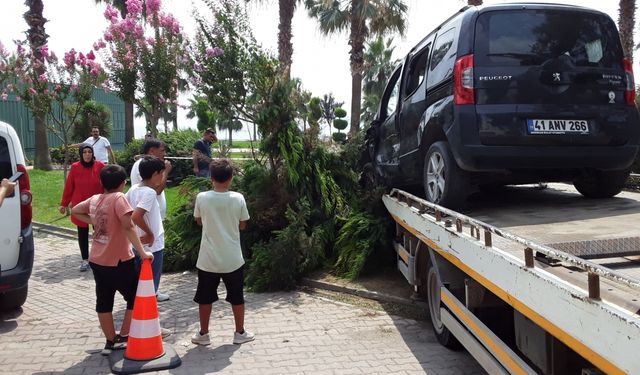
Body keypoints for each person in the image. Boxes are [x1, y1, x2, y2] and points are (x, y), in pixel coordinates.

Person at [70, 165, 153, 355]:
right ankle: (124, 336)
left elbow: (75, 210)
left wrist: (97, 221)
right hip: (120, 260)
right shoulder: (119, 198)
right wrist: (143, 252)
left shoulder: (95, 199)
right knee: (134, 297)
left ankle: (110, 340)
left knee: (104, 300)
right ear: (123, 183)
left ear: (102, 182)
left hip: (97, 260)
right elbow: (128, 226)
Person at [191, 158, 254, 346]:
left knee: (205, 297)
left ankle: (203, 334)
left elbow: (198, 220)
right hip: (232, 258)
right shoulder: (238, 198)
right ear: (231, 178)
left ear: (211, 177)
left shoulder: (202, 197)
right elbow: (243, 224)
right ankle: (239, 332)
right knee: (237, 297)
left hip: (208, 258)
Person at [130, 139, 172, 301]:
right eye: (161, 174)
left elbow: (128, 214)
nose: (162, 177)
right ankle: (149, 299)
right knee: (151, 275)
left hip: (141, 238)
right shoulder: (148, 192)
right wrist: (150, 233)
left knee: (141, 276)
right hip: (152, 241)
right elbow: (135, 215)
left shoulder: (134, 189)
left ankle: (143, 297)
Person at [59, 144, 105, 272]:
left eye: (89, 152)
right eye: (84, 152)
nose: (87, 154)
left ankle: (100, 258)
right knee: (82, 233)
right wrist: (64, 203)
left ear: (92, 153)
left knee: (100, 232)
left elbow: (107, 183)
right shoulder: (75, 167)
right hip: (80, 206)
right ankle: (85, 260)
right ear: (81, 154)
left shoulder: (100, 166)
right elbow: (69, 186)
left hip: (97, 205)